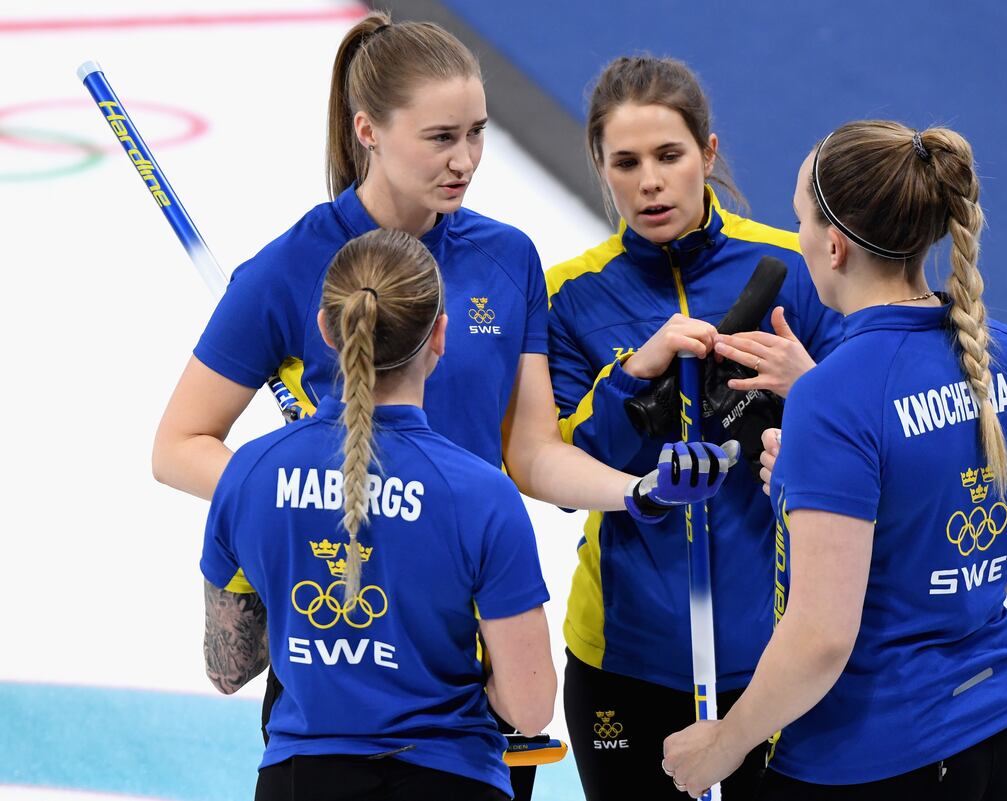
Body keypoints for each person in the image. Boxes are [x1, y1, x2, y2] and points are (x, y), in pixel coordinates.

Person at [153, 17, 732, 799]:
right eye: (439, 138)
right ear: (369, 130)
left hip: (472, 644)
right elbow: (179, 442)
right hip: (343, 636)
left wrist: (635, 492)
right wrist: (308, 487)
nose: (465, 161)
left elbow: (529, 452)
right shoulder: (292, 266)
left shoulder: (507, 257)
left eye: (477, 134)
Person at [662, 121, 1007, 801]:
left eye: (798, 221)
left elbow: (821, 637)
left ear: (835, 244)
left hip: (874, 756)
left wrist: (723, 746)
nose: (796, 241)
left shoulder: (837, 396)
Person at [545, 56, 843, 801]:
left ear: (707, 155)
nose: (649, 181)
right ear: (601, 168)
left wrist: (805, 390)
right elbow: (556, 472)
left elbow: (863, 429)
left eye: (669, 156)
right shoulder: (568, 297)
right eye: (627, 161)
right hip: (623, 654)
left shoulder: (791, 267)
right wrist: (634, 374)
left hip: (776, 653)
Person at [199, 228, 555, 800]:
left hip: (300, 780)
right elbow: (530, 706)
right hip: (450, 776)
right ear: (440, 334)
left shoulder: (249, 473)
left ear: (325, 329)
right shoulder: (482, 494)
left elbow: (228, 668)